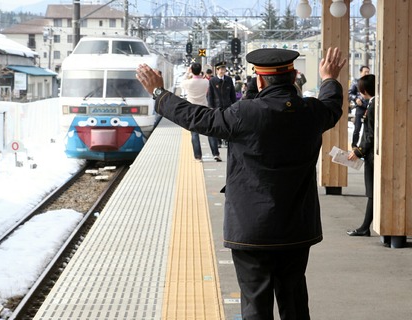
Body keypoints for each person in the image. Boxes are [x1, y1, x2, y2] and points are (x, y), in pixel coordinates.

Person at [136, 47, 346, 320]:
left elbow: (196, 117)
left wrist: (158, 94)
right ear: (294, 76)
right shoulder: (312, 112)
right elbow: (332, 102)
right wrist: (329, 78)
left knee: (255, 306)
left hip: (251, 229)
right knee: (294, 302)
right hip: (297, 227)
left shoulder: (242, 114)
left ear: (259, 80)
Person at [347, 74, 376, 237]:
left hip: (371, 156)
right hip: (371, 154)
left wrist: (359, 152)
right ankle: (365, 226)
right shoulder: (373, 103)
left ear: (363, 90)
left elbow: (371, 134)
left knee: (371, 192)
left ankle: (365, 227)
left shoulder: (373, 106)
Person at [180, 62, 216, 162]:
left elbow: (181, 82)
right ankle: (215, 153)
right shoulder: (206, 82)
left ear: (191, 70)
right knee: (209, 131)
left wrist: (187, 73)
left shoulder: (188, 83)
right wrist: (202, 74)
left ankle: (198, 157)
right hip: (204, 109)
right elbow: (206, 80)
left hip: (192, 110)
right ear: (200, 71)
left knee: (194, 134)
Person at [207, 61, 236, 155]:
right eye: (221, 69)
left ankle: (226, 140)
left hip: (227, 105)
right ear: (217, 70)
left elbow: (232, 94)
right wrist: (211, 106)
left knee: (227, 123)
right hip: (217, 106)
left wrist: (234, 104)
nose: (223, 71)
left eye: (224, 69)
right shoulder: (212, 81)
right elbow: (210, 95)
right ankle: (219, 141)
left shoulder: (229, 80)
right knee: (219, 124)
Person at [349, 65, 370, 148]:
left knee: (367, 128)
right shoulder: (356, 82)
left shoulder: (371, 82)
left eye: (368, 72)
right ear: (361, 72)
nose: (367, 73)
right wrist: (356, 99)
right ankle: (354, 145)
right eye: (365, 72)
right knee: (357, 128)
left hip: (369, 107)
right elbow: (350, 93)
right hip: (360, 107)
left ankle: (364, 146)